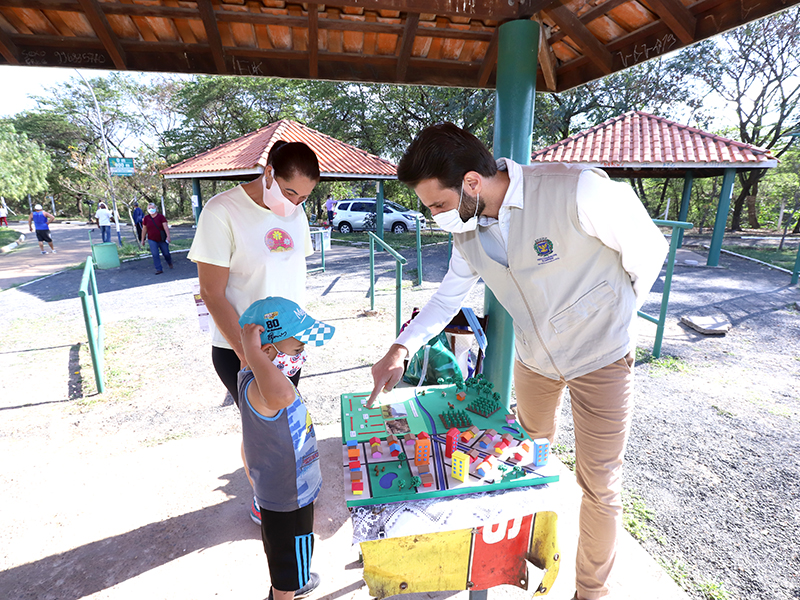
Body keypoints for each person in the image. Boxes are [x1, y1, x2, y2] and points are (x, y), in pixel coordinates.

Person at [367, 123, 669, 600]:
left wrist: (614, 315)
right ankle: (517, 557)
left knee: (600, 486)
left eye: (437, 206)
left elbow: (649, 249)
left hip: (601, 357)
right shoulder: (467, 229)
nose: (435, 217)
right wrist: (401, 347)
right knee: (521, 464)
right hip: (534, 360)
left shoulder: (577, 189)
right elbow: (448, 299)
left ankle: (591, 592)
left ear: (471, 182)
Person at [188, 141, 320, 407]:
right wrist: (247, 353)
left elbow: (288, 275)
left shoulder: (297, 213)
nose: (294, 203)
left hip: (286, 344)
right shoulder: (221, 211)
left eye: (303, 197)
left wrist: (293, 344)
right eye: (289, 192)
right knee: (261, 432)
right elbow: (211, 293)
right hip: (240, 348)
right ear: (269, 173)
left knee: (281, 428)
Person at [238, 296, 334, 600]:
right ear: (265, 351)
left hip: (291, 487)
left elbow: (247, 442)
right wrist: (253, 351)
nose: (301, 358)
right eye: (297, 350)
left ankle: (297, 580)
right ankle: (284, 593)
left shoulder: (262, 376)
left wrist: (256, 355)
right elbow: (281, 398)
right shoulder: (264, 388)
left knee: (297, 545)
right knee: (285, 559)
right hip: (285, 495)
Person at [140, 202, 172, 274]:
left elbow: (165, 227)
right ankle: (159, 269)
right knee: (155, 254)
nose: (151, 209)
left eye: (152, 208)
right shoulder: (146, 218)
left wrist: (168, 236)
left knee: (166, 253)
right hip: (152, 239)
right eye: (149, 208)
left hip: (162, 239)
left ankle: (169, 262)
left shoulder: (161, 217)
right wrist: (142, 239)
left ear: (156, 208)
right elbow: (144, 229)